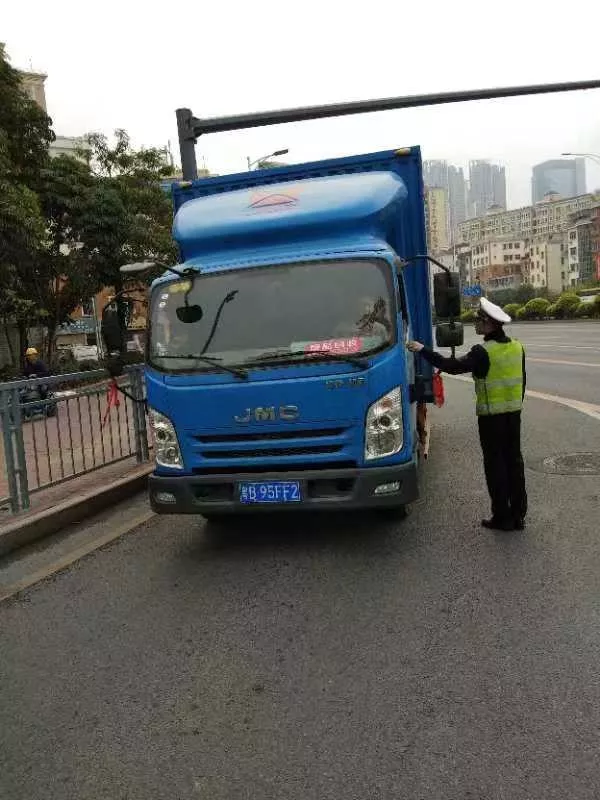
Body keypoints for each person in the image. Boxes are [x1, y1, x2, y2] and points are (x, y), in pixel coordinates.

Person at [407, 297, 527, 532]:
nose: (475, 324)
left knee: (495, 467)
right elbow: (522, 382)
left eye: (478, 320)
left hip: (491, 419)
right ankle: (518, 515)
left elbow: (451, 366)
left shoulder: (482, 352)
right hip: (514, 416)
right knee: (515, 464)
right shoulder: (516, 347)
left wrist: (422, 350)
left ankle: (502, 517)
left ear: (489, 323)